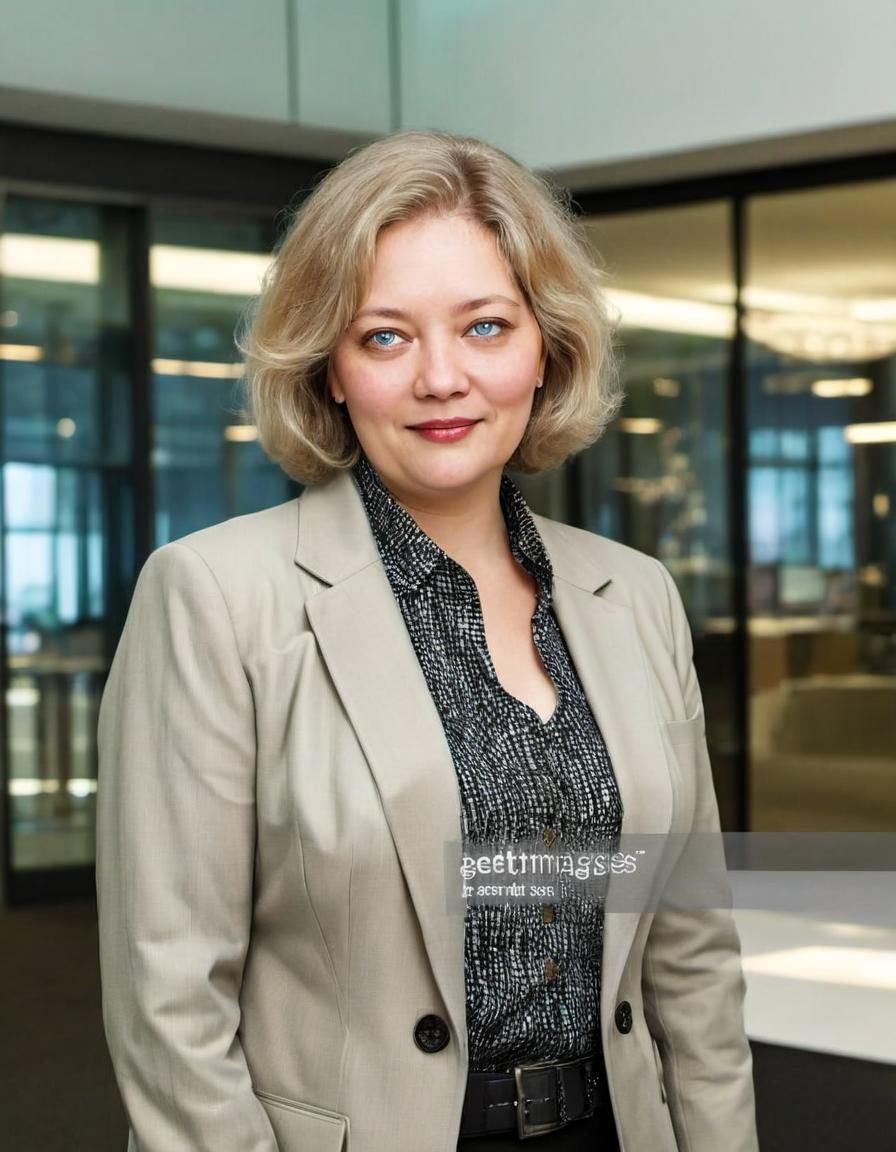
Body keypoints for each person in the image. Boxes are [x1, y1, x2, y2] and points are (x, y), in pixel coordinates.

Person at [96, 129, 759, 1152]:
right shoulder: (216, 598)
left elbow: (690, 959)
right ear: (328, 370)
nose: (441, 378)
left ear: (547, 348)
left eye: (486, 327)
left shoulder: (633, 596)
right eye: (386, 337)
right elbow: (170, 996)